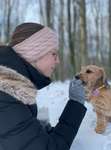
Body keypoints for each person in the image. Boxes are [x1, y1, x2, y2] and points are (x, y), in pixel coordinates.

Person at [0, 22, 87, 150]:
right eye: (53, 54)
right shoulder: (6, 96)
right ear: (34, 53)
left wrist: (39, 130)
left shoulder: (13, 89)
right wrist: (76, 104)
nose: (58, 61)